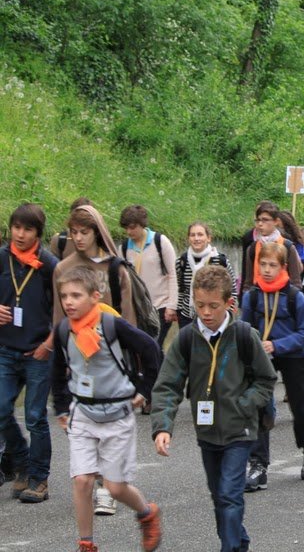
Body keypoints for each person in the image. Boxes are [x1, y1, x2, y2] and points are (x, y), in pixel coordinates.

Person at [152, 265, 276, 552]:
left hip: (240, 429)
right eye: (199, 305)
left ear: (228, 303)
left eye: (213, 306)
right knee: (218, 496)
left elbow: (266, 379)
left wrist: (244, 405)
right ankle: (239, 542)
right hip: (206, 430)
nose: (205, 312)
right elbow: (167, 384)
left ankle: (229, 548)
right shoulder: (186, 338)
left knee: (230, 495)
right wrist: (162, 427)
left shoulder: (244, 335)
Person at [51, 266, 162, 552]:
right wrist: (62, 406)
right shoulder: (64, 329)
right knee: (82, 481)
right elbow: (58, 369)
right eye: (64, 296)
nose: (69, 302)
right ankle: (86, 543)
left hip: (117, 414)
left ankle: (146, 513)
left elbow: (151, 350)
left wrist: (144, 390)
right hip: (83, 413)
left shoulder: (112, 325)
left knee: (114, 488)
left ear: (95, 296)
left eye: (76, 295)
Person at [53, 204, 137, 516]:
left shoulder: (114, 267)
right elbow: (59, 315)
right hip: (79, 355)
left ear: (97, 232)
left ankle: (109, 488)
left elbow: (128, 315)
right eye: (73, 232)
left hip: (112, 351)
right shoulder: (64, 268)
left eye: (84, 232)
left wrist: (133, 364)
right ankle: (95, 483)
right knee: (88, 421)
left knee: (111, 421)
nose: (77, 238)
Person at [241, 242, 304, 491]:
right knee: (259, 407)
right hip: (261, 355)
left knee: (299, 406)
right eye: (262, 264)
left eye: (272, 265)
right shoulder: (251, 296)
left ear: (283, 267)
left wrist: (277, 345)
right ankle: (258, 463)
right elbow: (244, 329)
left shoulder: (295, 296)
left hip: (291, 353)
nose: (266, 270)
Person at [0, 204, 58, 504]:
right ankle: (19, 462)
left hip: (38, 352)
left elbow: (63, 312)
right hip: (5, 349)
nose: (20, 235)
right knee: (0, 409)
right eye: (16, 227)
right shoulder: (2, 257)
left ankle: (38, 478)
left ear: (38, 233)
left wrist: (48, 344)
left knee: (35, 417)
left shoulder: (50, 265)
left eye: (28, 229)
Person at [119, 205, 179, 348]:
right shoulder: (124, 247)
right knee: (145, 348)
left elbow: (173, 273)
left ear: (142, 224)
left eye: (132, 227)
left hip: (160, 306)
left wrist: (171, 306)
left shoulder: (160, 241)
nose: (129, 231)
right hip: (138, 307)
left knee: (154, 345)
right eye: (126, 228)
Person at [176, 222, 237, 329]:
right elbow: (180, 289)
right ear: (188, 238)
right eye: (192, 235)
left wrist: (228, 312)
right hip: (187, 317)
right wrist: (179, 311)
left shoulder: (220, 260)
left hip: (216, 317)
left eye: (200, 234)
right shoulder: (181, 261)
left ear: (208, 238)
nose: (196, 238)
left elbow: (232, 289)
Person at [241, 201, 303, 293]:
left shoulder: (287, 246)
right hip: (259, 300)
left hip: (282, 299)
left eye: (265, 220)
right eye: (258, 220)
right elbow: (247, 283)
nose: (260, 224)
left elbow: (296, 283)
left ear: (276, 221)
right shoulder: (252, 248)